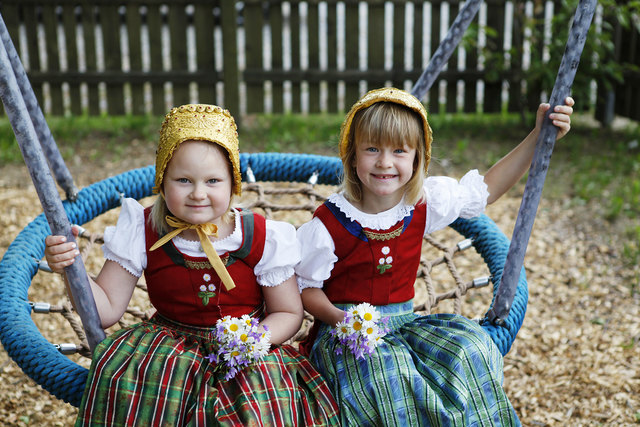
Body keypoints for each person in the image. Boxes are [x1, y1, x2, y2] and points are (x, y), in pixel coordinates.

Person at [45, 104, 340, 426]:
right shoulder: (142, 230)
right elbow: (106, 311)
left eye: (213, 181)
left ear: (233, 184)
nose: (198, 194)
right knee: (136, 392)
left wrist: (255, 340)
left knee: (265, 404)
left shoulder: (263, 237)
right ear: (162, 181)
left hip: (245, 346)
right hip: (168, 347)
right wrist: (70, 268)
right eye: (183, 180)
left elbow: (288, 313)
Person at [295, 87, 574, 426]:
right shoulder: (329, 224)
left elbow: (486, 189)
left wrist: (537, 136)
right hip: (350, 337)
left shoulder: (424, 205)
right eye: (372, 149)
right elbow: (306, 287)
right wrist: (342, 319)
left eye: (399, 150)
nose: (385, 162)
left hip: (405, 323)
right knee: (386, 378)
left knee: (472, 348)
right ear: (353, 156)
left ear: (418, 159)